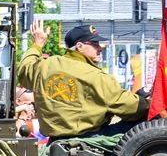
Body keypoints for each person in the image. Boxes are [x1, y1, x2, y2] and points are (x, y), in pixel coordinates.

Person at [17, 20, 146, 139]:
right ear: (79, 46)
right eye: (95, 44)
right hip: (90, 140)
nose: (100, 48)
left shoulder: (45, 66)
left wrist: (37, 44)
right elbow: (130, 108)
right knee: (148, 124)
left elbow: (24, 70)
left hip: (55, 141)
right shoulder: (95, 76)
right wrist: (147, 103)